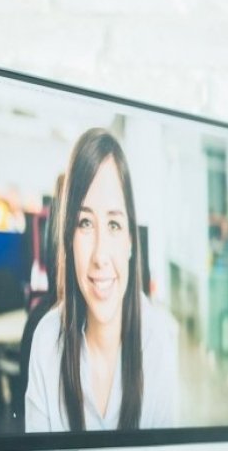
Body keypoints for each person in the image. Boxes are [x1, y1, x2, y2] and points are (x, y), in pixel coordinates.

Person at [24, 127, 179, 433]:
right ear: (68, 237)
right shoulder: (46, 341)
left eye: (113, 224)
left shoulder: (157, 338)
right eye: (84, 223)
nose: (100, 255)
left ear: (131, 241)